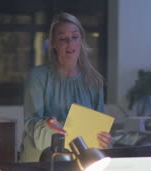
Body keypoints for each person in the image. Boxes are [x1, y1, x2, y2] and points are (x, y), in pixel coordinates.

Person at [19, 12, 111, 162]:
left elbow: (99, 130)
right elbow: (30, 123)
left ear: (81, 40)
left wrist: (104, 139)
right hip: (42, 161)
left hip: (81, 163)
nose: (70, 43)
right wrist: (48, 125)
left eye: (75, 37)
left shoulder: (94, 81)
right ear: (53, 43)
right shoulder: (38, 76)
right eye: (63, 39)